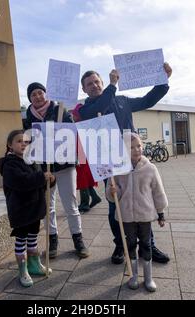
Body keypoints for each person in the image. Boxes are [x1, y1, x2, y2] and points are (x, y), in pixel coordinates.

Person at [78, 63, 172, 265]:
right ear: (84, 89)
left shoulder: (121, 101)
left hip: (133, 161)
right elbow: (100, 107)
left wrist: (163, 82)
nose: (94, 85)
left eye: (97, 81)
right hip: (109, 164)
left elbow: (147, 100)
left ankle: (149, 245)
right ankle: (121, 245)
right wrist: (112, 86)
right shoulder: (85, 109)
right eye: (89, 84)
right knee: (115, 207)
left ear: (101, 83)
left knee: (143, 202)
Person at [23, 82, 90, 259]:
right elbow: (26, 140)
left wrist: (63, 128)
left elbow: (73, 131)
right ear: (30, 98)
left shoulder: (60, 110)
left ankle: (78, 239)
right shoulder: (28, 117)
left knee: (71, 204)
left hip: (65, 165)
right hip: (43, 169)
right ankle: (53, 240)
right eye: (33, 95)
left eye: (40, 93)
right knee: (48, 206)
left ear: (46, 94)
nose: (37, 96)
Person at [107, 132, 168, 292]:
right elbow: (114, 196)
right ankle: (133, 275)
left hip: (145, 215)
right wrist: (112, 191)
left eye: (139, 146)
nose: (136, 150)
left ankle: (148, 278)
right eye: (131, 147)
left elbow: (158, 192)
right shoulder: (118, 170)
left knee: (146, 244)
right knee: (130, 244)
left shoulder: (150, 168)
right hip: (127, 216)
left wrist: (160, 212)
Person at [0, 130, 55, 287]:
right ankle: (23, 269)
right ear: (10, 145)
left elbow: (40, 184)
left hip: (34, 209)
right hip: (21, 210)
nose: (24, 144)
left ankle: (34, 264)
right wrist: (40, 177)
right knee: (21, 239)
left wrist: (50, 180)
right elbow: (21, 182)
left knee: (33, 237)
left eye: (27, 141)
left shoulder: (31, 160)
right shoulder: (9, 164)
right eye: (19, 141)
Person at [71, 104, 102, 213]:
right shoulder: (86, 125)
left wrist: (77, 157)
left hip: (82, 157)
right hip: (85, 156)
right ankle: (95, 197)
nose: (72, 115)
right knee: (85, 180)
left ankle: (84, 204)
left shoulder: (80, 125)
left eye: (74, 113)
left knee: (82, 180)